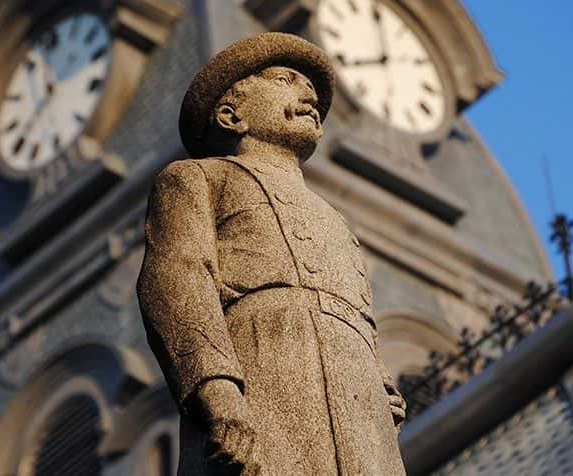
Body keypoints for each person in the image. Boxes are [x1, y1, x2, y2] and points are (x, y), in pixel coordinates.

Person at [137, 32, 406, 475]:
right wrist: (221, 396)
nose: (308, 95)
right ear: (230, 114)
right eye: (285, 78)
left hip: (358, 408)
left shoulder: (336, 219)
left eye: (313, 91)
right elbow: (177, 280)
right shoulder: (196, 179)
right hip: (264, 360)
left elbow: (359, 315)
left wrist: (380, 384)